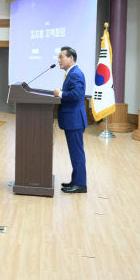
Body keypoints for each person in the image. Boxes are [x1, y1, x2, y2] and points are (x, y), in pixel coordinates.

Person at [53, 46, 88, 194]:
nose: (59, 60)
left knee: (77, 153)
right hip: (72, 119)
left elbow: (77, 94)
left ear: (71, 58)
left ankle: (80, 184)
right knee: (75, 153)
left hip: (74, 120)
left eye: (62, 57)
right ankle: (75, 181)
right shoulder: (71, 73)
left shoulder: (76, 74)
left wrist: (61, 94)